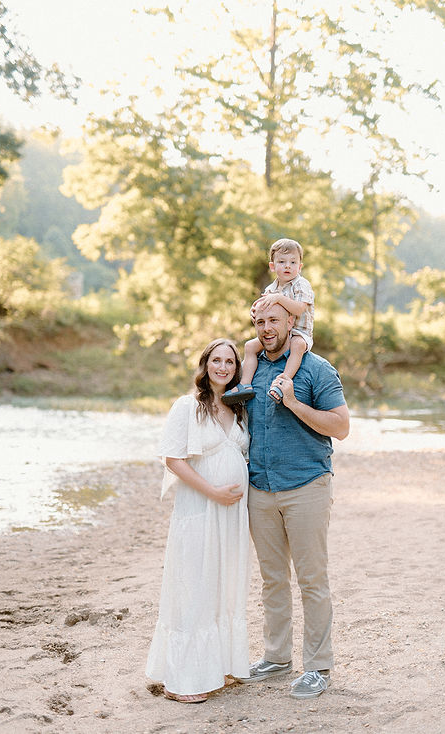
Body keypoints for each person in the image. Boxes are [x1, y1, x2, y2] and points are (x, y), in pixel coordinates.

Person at [237, 301, 350, 700]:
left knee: (312, 579)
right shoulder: (248, 370)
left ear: (291, 322)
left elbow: (341, 426)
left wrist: (294, 403)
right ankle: (277, 658)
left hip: (306, 487)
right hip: (260, 489)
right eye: (260, 321)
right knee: (272, 580)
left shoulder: (316, 368)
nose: (267, 328)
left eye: (274, 320)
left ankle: (318, 667)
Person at [145, 338, 251, 703]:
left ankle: (217, 665)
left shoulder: (238, 407)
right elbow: (172, 459)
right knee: (194, 584)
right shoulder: (187, 406)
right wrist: (213, 492)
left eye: (230, 362)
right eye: (217, 360)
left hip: (230, 515)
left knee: (222, 584)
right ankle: (180, 681)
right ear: (205, 365)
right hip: (199, 509)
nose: (223, 367)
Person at [223, 238, 315, 405]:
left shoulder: (301, 284)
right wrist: (255, 310)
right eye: (282, 261)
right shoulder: (271, 289)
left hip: (299, 332)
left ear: (300, 266)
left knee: (297, 346)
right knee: (250, 346)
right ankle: (245, 384)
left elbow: (300, 308)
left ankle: (282, 381)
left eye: (293, 262)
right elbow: (263, 308)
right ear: (272, 266)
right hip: (278, 333)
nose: (288, 266)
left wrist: (279, 299)